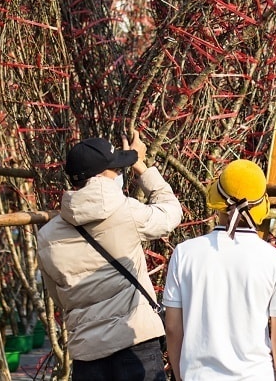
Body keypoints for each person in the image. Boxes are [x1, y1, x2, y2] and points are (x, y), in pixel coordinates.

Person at [37, 130, 183, 381]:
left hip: (86, 353)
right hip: (136, 342)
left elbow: (58, 296)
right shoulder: (126, 213)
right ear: (102, 176)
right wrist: (142, 168)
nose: (120, 174)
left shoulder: (47, 236)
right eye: (116, 170)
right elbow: (171, 213)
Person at [162, 159, 276, 381]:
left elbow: (173, 328)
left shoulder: (184, 253)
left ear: (218, 202)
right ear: (261, 205)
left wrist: (180, 376)